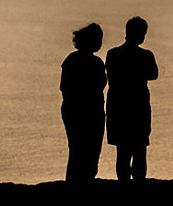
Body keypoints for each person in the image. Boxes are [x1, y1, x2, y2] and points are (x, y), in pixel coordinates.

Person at [104, 16, 160, 181]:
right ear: (141, 34)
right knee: (139, 149)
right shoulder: (146, 55)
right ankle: (138, 185)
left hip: (118, 106)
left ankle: (124, 185)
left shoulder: (112, 54)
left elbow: (112, 75)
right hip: (138, 107)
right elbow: (154, 74)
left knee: (122, 151)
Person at [60, 23, 107, 183]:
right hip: (88, 112)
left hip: (76, 111)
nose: (101, 43)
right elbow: (100, 85)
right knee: (88, 151)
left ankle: (76, 182)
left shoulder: (71, 60)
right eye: (98, 39)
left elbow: (64, 88)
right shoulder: (96, 63)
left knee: (77, 150)